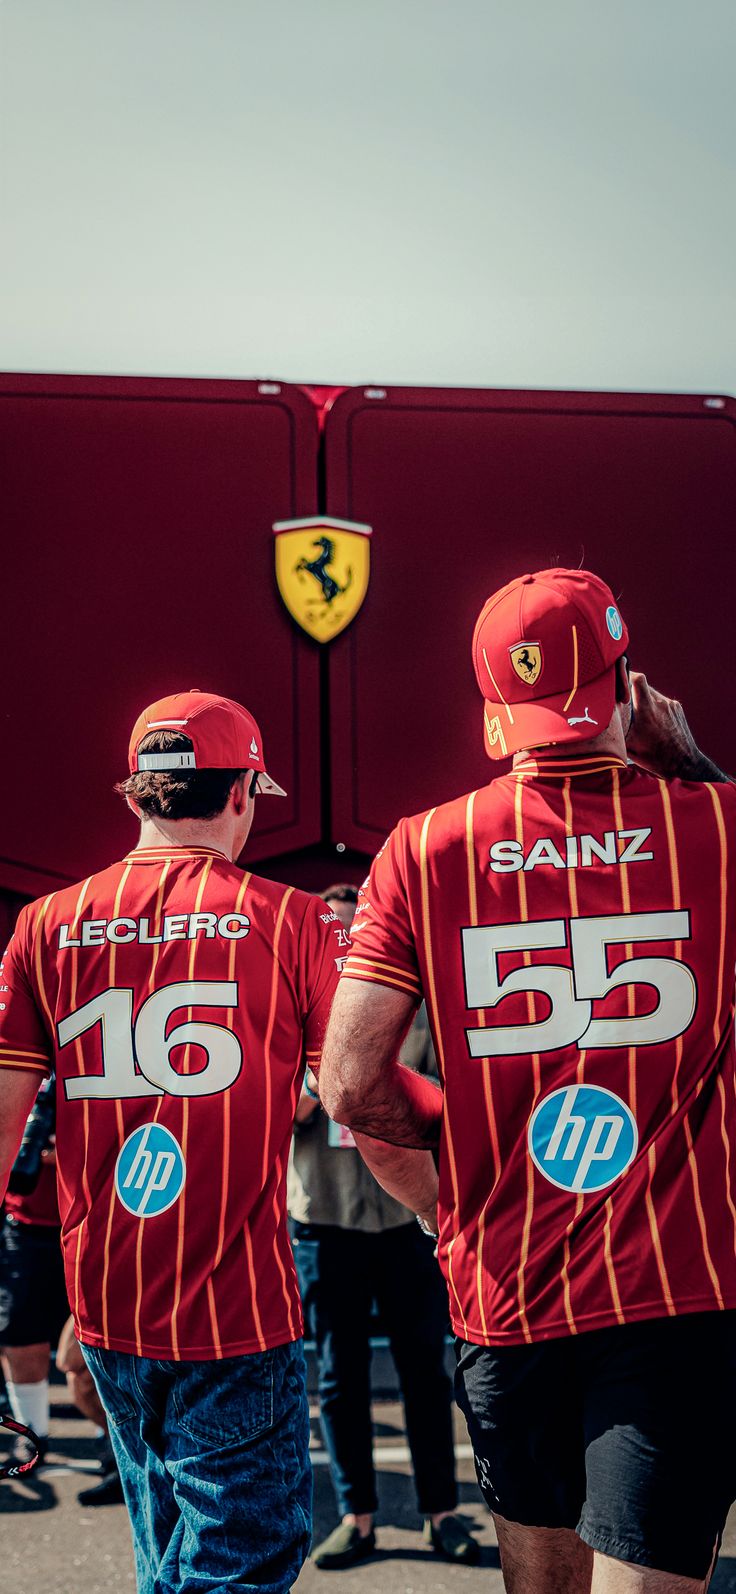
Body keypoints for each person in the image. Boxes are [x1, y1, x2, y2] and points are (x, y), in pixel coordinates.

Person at [318, 567, 736, 1594]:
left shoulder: (420, 848)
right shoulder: (720, 831)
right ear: (627, 683)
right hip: (678, 1293)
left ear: (496, 706)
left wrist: (452, 1198)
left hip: (505, 1287)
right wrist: (695, 766)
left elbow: (354, 1089)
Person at [0, 689, 348, 1594]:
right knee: (237, 1561)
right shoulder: (293, 919)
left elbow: (1, 1121)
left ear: (135, 797)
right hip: (238, 1307)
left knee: (165, 1544)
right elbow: (355, 1097)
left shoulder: (44, 924)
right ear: (241, 794)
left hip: (109, 1300)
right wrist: (440, 1206)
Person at [290, 883, 478, 1570]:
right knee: (338, 1375)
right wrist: (330, 1075)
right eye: (331, 933)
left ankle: (443, 1513)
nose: (342, 944)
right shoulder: (292, 1013)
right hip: (326, 1215)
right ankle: (356, 1516)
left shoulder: (414, 1005)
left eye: (351, 931)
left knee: (426, 1370)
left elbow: (447, 1105)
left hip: (411, 1214)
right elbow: (290, 1115)